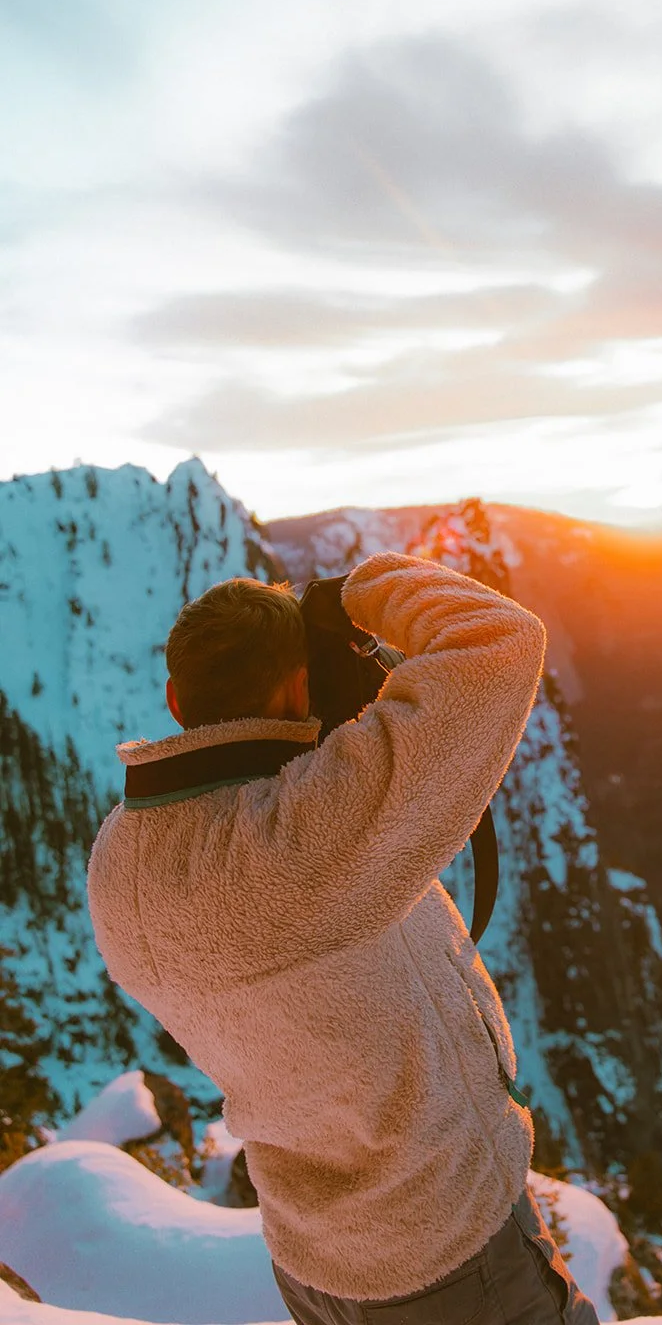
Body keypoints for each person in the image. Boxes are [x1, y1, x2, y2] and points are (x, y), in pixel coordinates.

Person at [86, 550, 600, 1325]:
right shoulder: (303, 839)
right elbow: (500, 640)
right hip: (447, 1251)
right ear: (300, 684)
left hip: (312, 1258)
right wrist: (353, 593)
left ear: (173, 698)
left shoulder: (121, 860)